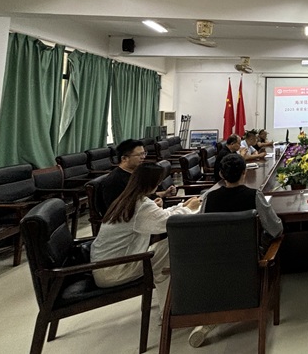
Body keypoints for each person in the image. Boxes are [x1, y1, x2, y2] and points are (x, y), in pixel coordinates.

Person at [189, 153, 284, 347]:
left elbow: (201, 229)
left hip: (214, 260)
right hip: (249, 259)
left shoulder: (209, 197)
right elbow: (276, 229)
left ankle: (211, 317)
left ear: (221, 174)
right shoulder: (254, 196)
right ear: (244, 172)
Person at [91, 163, 201, 316]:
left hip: (106, 265)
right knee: (169, 248)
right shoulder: (140, 205)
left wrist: (182, 205)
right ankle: (171, 311)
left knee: (163, 249)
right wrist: (189, 208)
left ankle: (172, 305)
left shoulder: (127, 199)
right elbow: (167, 222)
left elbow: (158, 216)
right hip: (113, 270)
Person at [99, 139, 176, 215]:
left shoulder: (137, 174)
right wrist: (149, 207)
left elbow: (142, 196)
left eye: (144, 153)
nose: (143, 157)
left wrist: (164, 193)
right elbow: (115, 210)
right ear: (124, 158)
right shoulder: (114, 181)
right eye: (139, 155)